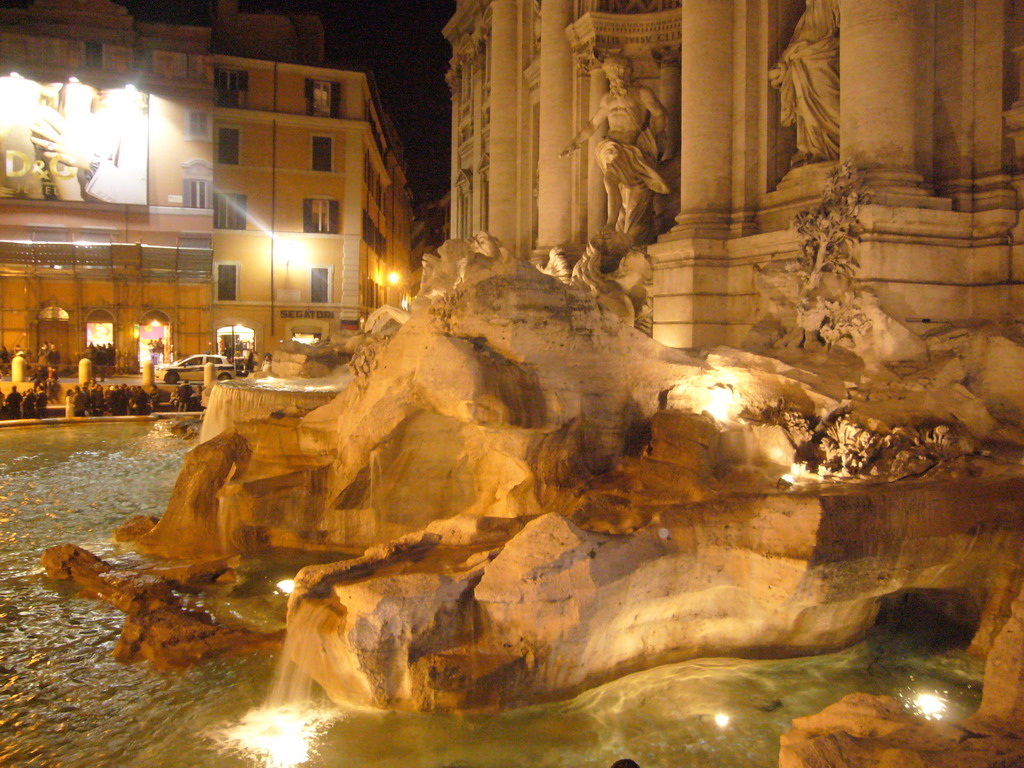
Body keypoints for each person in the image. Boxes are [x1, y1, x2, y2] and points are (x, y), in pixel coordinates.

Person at [561, 54, 672, 245]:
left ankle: (616, 226)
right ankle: (611, 223)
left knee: (630, 196)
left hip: (634, 150)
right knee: (610, 177)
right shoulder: (607, 99)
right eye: (610, 75)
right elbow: (592, 124)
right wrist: (575, 142)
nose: (613, 78)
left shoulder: (641, 93)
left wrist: (651, 138)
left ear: (626, 72)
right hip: (612, 146)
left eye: (615, 73)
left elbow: (660, 113)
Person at [768, 0, 840, 166]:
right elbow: (795, 46)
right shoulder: (805, 18)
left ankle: (833, 150)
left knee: (831, 104)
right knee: (806, 111)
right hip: (804, 66)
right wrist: (782, 68)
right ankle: (814, 150)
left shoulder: (832, 4)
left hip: (825, 63)